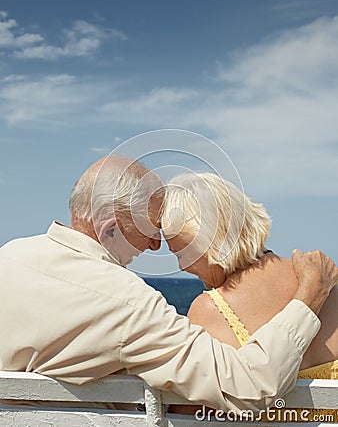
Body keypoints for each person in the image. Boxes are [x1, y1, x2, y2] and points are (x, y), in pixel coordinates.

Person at [0, 157, 337, 413]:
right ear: (111, 230)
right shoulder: (127, 303)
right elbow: (251, 385)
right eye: (149, 228)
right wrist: (309, 295)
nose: (154, 246)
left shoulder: (9, 257)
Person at [161, 172, 338, 381]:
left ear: (210, 243)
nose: (181, 267)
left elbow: (188, 411)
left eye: (181, 254)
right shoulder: (326, 282)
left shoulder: (211, 310)